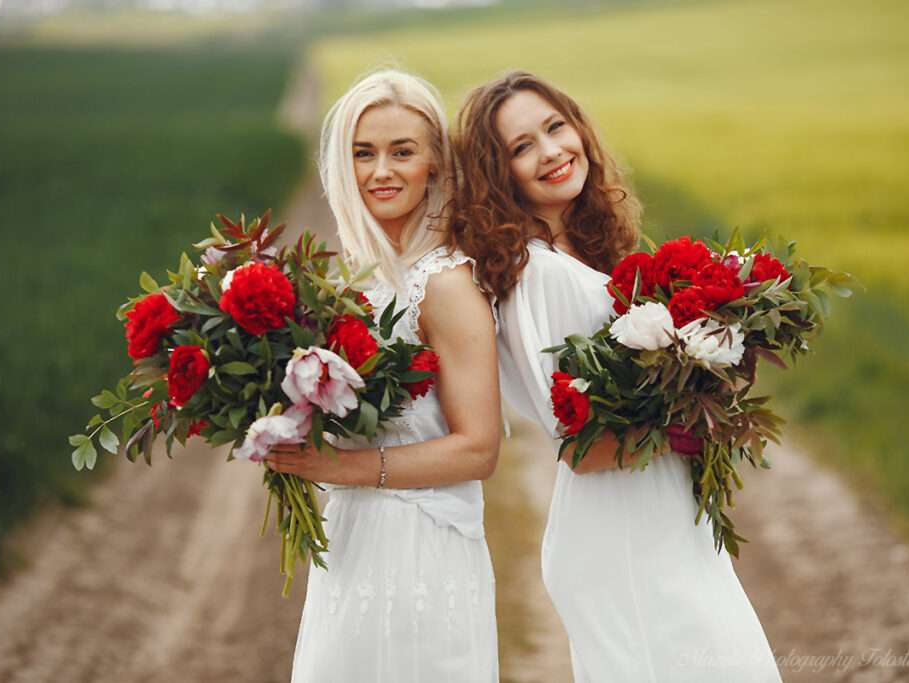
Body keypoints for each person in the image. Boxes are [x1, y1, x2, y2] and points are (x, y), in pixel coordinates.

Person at [450, 70, 782, 682]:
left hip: (656, 515)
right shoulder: (539, 274)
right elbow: (582, 446)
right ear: (500, 176)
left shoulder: (581, 254)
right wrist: (689, 408)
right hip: (623, 534)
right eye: (522, 147)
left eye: (555, 127)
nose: (551, 151)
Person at [265, 69, 500, 683]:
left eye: (403, 152)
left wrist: (338, 469)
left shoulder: (445, 283)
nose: (381, 171)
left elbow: (479, 449)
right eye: (363, 153)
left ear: (435, 165)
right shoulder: (358, 279)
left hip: (419, 541)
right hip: (351, 533)